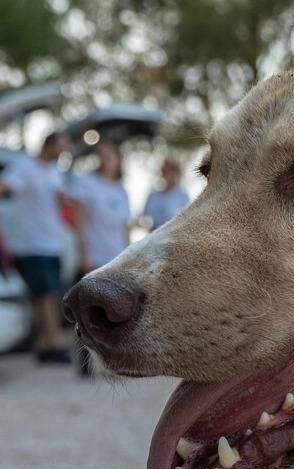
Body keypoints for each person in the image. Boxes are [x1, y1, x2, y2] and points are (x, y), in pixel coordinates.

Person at [0, 132, 75, 364]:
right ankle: (52, 343)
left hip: (52, 243)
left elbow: (63, 202)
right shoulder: (25, 168)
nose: (64, 152)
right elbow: (4, 187)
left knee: (50, 294)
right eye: (61, 147)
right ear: (49, 144)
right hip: (32, 243)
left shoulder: (54, 172)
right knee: (44, 294)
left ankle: (46, 342)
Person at [68, 142, 132, 375]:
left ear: (118, 160)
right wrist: (84, 253)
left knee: (113, 312)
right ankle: (84, 364)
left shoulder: (120, 190)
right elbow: (79, 221)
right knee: (86, 311)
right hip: (93, 255)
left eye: (110, 155)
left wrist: (128, 255)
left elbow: (125, 226)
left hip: (115, 256)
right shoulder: (87, 184)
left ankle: (112, 363)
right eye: (102, 155)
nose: (106, 160)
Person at [142, 159, 189, 230]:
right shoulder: (153, 196)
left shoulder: (183, 197)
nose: (167, 176)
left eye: (171, 173)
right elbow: (144, 218)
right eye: (165, 173)